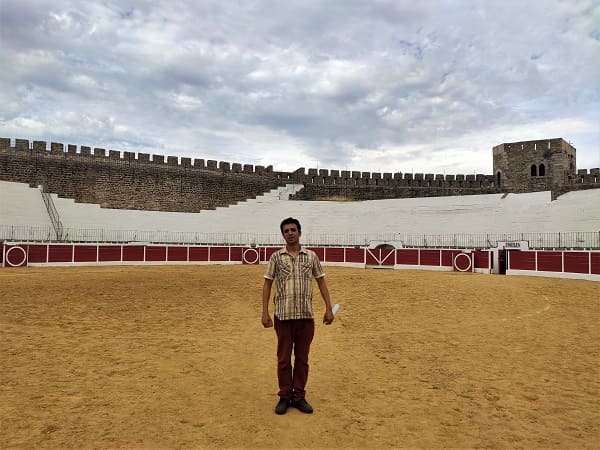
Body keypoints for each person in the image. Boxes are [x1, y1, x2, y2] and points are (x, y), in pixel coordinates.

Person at [262, 217, 334, 415]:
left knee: (302, 358)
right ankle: (285, 395)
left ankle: (299, 395)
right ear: (283, 235)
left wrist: (328, 307)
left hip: (305, 316)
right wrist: (264, 311)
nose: (290, 233)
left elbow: (321, 282)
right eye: (286, 231)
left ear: (300, 232)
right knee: (284, 359)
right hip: (283, 316)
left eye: (293, 229)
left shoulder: (311, 257)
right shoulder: (276, 257)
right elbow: (267, 283)